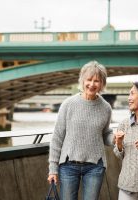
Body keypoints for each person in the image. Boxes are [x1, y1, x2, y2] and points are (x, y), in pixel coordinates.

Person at [47, 60, 114, 200]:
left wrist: (115, 139)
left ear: (102, 84)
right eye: (89, 80)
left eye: (97, 81)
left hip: (95, 166)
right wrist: (53, 169)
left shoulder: (106, 107)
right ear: (82, 80)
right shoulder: (68, 104)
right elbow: (57, 138)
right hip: (68, 166)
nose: (92, 84)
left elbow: (106, 133)